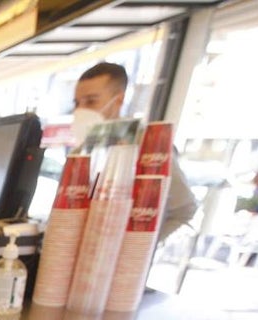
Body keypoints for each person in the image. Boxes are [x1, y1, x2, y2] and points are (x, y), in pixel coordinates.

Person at [72, 61, 197, 241]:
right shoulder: (82, 149)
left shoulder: (150, 145)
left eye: (91, 101)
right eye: (77, 103)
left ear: (119, 100)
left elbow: (183, 209)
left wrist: (137, 246)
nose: (81, 110)